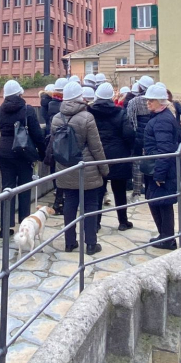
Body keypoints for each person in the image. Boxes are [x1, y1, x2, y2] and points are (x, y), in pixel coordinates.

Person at [50, 81, 109, 255]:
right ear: (79, 97)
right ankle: (91, 244)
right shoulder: (87, 117)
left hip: (65, 166)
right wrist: (104, 169)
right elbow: (96, 146)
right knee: (90, 204)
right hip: (85, 167)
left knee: (69, 203)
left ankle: (69, 242)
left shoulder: (56, 118)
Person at [0, 80, 46, 231]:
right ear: (20, 93)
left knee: (7, 189)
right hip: (23, 154)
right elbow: (37, 134)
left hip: (4, 154)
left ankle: (5, 228)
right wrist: (41, 154)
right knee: (24, 190)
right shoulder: (27, 109)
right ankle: (24, 226)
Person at [89, 83, 135, 230]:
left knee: (98, 191)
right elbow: (129, 134)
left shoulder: (90, 112)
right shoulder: (120, 113)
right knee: (120, 191)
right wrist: (129, 149)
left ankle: (95, 223)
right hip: (118, 156)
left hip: (97, 156)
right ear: (111, 97)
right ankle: (123, 222)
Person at [143, 83, 181, 250]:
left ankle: (167, 239)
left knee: (161, 204)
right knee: (158, 202)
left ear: (160, 101)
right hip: (160, 167)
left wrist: (159, 174)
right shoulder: (163, 117)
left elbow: (164, 150)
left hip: (160, 169)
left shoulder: (162, 121)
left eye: (151, 100)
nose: (147, 103)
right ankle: (165, 236)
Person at [127, 75, 155, 198]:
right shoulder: (155, 101)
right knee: (152, 162)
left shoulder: (134, 102)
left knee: (137, 164)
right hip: (153, 136)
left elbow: (130, 120)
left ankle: (136, 192)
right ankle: (151, 191)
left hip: (138, 136)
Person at [46, 78, 68, 215]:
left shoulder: (50, 104)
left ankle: (58, 198)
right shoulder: (61, 107)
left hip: (53, 142)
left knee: (55, 170)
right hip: (65, 142)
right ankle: (60, 201)